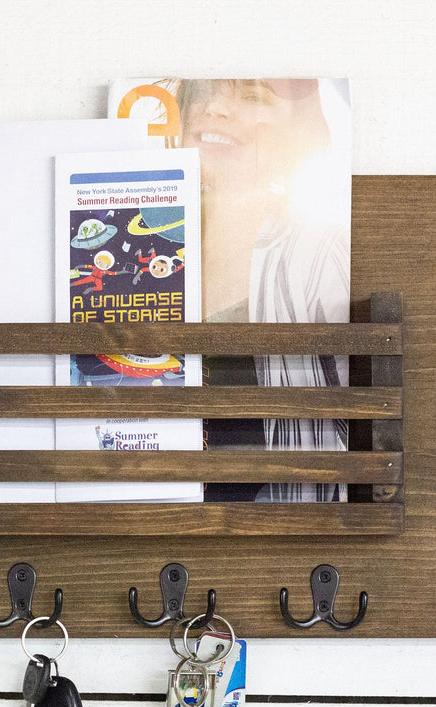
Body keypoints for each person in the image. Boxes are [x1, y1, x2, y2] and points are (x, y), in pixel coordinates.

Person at [157, 78, 352, 502]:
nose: (215, 110)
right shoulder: (145, 251)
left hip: (280, 536)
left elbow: (358, 433)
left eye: (249, 97)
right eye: (203, 95)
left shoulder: (320, 252)